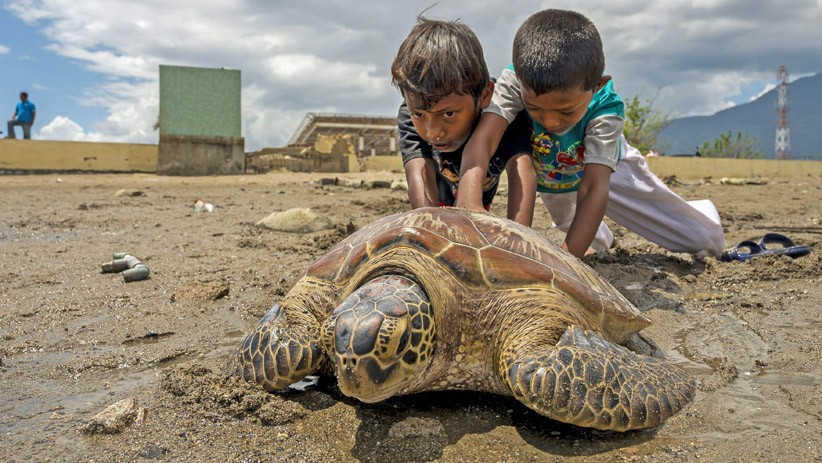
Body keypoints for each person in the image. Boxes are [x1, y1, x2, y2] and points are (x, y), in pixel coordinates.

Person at [457, 9, 725, 258]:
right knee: (571, 226)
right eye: (535, 109)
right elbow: (484, 139)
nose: (550, 122)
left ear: (597, 85)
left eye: (566, 111)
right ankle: (606, 242)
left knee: (704, 240)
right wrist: (470, 203)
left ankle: (703, 214)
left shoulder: (605, 109)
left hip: (609, 170)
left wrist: (565, 262)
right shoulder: (515, 82)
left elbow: (595, 187)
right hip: (553, 174)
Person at [390, 17, 536, 226]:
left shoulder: (504, 116)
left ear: (484, 96)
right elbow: (419, 174)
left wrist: (520, 241)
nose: (433, 133)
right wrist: (431, 227)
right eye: (420, 115)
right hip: (437, 198)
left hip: (479, 200)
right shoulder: (408, 114)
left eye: (448, 114)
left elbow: (521, 169)